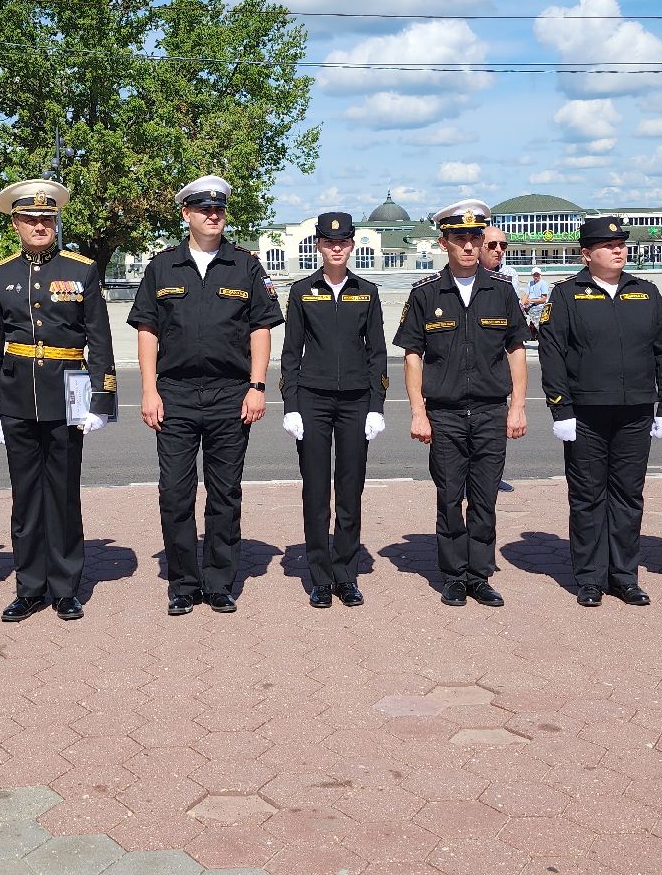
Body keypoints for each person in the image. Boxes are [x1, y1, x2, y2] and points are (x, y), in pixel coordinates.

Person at [128, 175, 283, 615]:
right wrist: (149, 390)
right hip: (174, 395)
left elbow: (260, 329)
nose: (212, 216)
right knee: (175, 493)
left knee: (224, 492)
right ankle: (182, 583)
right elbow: (147, 330)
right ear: (186, 215)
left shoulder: (246, 265)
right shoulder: (162, 266)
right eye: (202, 210)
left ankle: (218, 581)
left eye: (218, 210)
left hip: (230, 395)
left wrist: (257, 387)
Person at [0, 179, 115, 623]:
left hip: (67, 395)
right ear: (15, 223)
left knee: (63, 494)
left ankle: (66, 587)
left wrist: (101, 401)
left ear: (56, 222)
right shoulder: (0, 275)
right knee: (25, 498)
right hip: (17, 399)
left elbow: (100, 340)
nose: (40, 225)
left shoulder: (81, 270)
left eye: (47, 218)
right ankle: (29, 587)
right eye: (30, 219)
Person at [539, 215, 662, 608]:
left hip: (635, 411)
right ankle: (589, 577)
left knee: (628, 496)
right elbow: (553, 355)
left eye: (621, 244)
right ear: (587, 254)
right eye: (607, 245)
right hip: (585, 414)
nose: (618, 249)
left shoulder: (646, 292)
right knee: (587, 496)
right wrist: (560, 409)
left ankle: (624, 576)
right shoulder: (567, 295)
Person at [395, 199, 528, 607]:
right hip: (445, 413)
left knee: (485, 496)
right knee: (450, 495)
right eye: (459, 238)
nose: (468, 245)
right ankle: (453, 575)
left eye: (475, 237)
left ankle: (479, 574)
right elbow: (412, 354)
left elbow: (516, 349)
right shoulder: (425, 294)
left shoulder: (502, 292)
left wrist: (518, 405)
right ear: (444, 242)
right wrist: (418, 411)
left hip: (490, 409)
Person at [280, 212, 387, 608]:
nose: (336, 247)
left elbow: (378, 354)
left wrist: (376, 405)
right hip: (313, 400)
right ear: (319, 246)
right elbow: (291, 353)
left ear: (352, 245)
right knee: (315, 490)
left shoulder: (368, 291)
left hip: (356, 401)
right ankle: (320, 577)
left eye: (342, 242)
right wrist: (291, 404)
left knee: (350, 489)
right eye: (328, 241)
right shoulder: (302, 291)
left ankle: (346, 574)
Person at [481, 224, 523, 493]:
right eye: (493, 245)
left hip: (497, 361)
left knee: (496, 428)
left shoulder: (509, 277)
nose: (499, 251)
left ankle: (494, 477)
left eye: (503, 246)